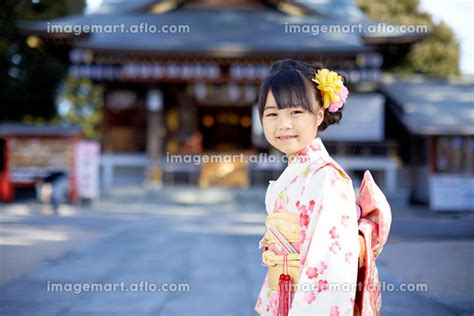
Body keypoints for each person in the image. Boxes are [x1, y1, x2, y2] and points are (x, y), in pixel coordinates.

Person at [254, 59, 392, 315]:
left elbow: (329, 267)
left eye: (295, 112)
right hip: (285, 298)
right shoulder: (299, 172)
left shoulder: (326, 178)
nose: (283, 124)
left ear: (319, 115)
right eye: (272, 113)